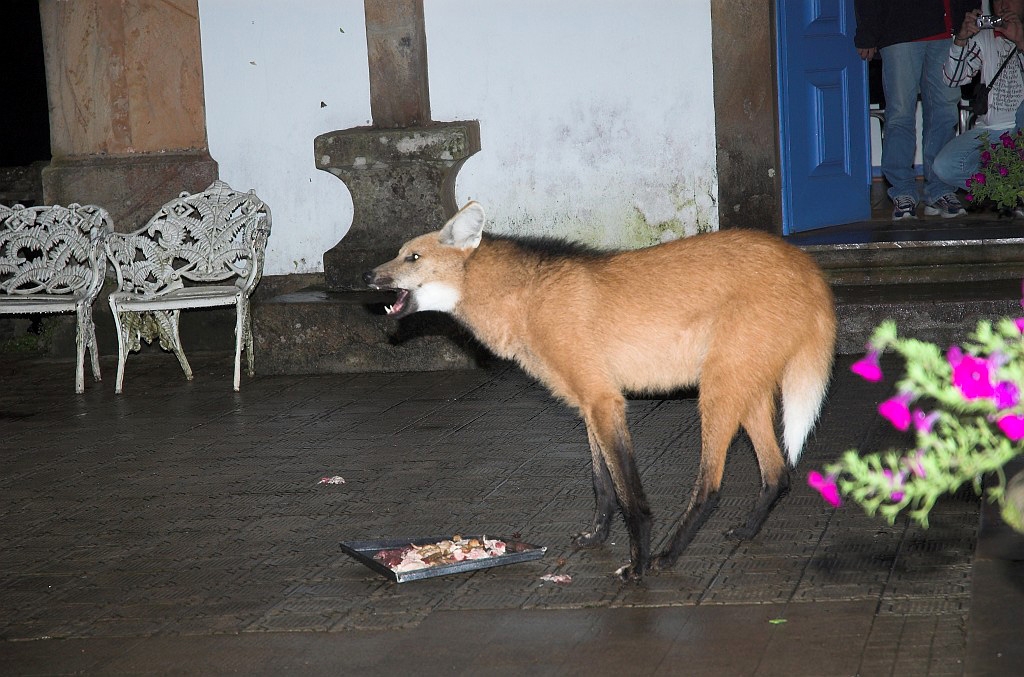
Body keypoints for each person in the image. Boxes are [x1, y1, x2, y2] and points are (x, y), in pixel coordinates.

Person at [855, 1, 980, 221]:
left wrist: (970, 13)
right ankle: (902, 190)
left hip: (948, 31)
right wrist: (867, 30)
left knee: (945, 113)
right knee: (900, 114)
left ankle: (940, 189)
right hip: (899, 30)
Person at [933, 0, 1024, 211]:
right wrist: (961, 40)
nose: (1004, 4)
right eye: (998, 0)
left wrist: (1021, 42)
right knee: (944, 165)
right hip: (991, 131)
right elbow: (952, 80)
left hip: (1020, 129)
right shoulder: (985, 37)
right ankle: (1011, 192)